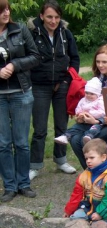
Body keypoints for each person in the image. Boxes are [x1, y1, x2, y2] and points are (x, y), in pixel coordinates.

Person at [28, 0, 80, 180]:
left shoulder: (65, 34)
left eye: (57, 17)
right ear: (41, 16)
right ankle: (35, 165)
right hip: (39, 86)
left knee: (61, 126)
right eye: (49, 16)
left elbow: (74, 59)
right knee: (40, 128)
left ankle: (61, 159)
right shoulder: (32, 33)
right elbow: (26, 59)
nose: (53, 21)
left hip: (62, 86)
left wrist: (67, 80)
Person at [0, 0, 40, 202]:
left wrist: (15, 65)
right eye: (1, 10)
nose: (6, 13)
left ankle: (24, 183)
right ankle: (9, 186)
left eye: (7, 9)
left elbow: (35, 56)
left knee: (22, 142)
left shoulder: (20, 30)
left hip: (21, 93)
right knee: (3, 143)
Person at [69, 44, 107, 169]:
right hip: (93, 119)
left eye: (104, 62)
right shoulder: (97, 78)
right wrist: (82, 114)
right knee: (74, 140)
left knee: (86, 141)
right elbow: (88, 101)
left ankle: (103, 173)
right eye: (98, 62)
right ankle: (91, 171)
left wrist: (97, 120)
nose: (100, 65)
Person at [54, 77, 105, 145]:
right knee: (75, 127)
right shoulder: (83, 100)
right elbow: (78, 108)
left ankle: (88, 136)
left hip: (95, 122)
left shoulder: (100, 101)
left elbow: (102, 112)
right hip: (83, 121)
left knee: (95, 129)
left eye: (92, 94)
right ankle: (66, 136)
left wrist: (89, 113)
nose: (89, 95)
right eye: (87, 93)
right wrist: (79, 114)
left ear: (97, 94)